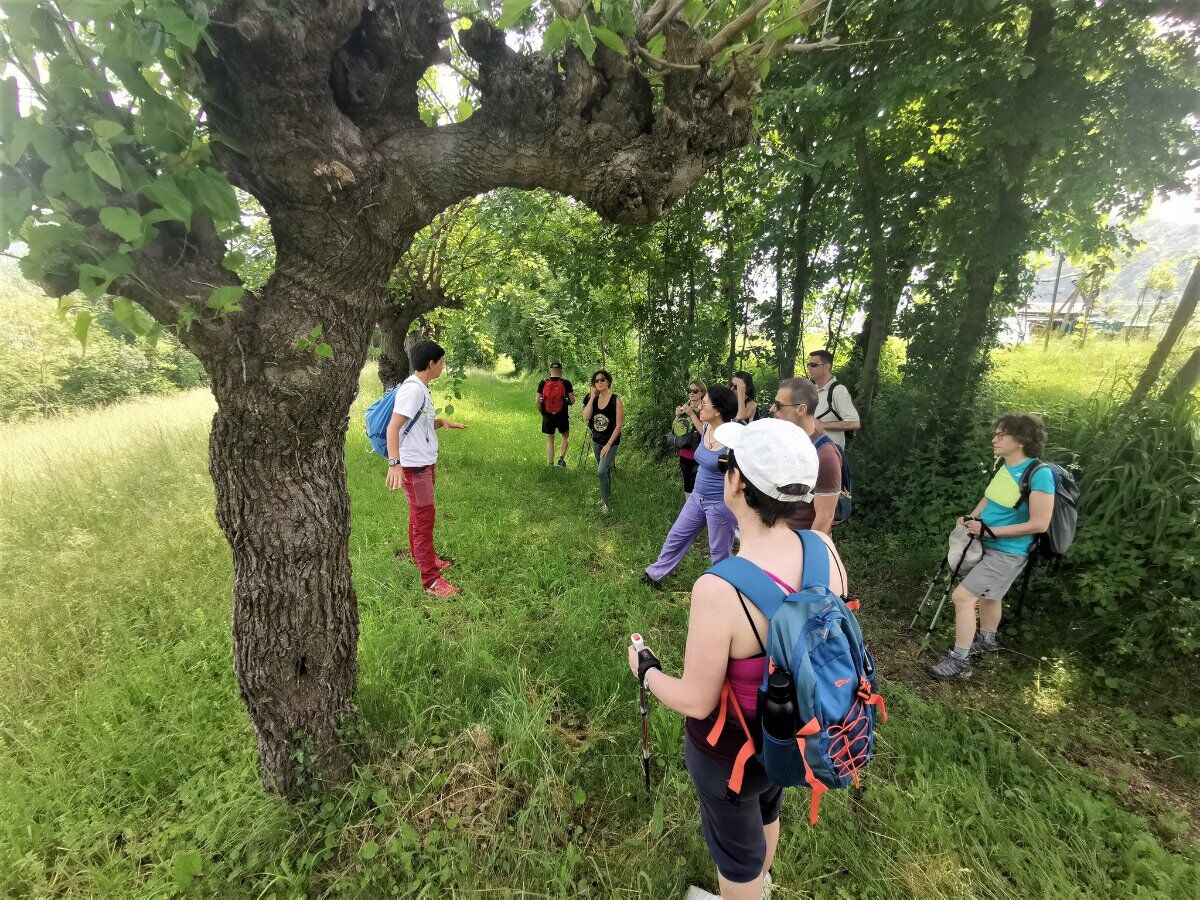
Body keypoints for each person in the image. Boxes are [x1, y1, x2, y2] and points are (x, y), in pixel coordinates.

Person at [625, 418, 840, 900]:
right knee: (767, 811)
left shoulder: (721, 587)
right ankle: (758, 887)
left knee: (736, 858)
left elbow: (697, 701)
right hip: (795, 734)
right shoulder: (824, 550)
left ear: (737, 483)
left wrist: (647, 670)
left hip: (732, 752)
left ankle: (744, 890)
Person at [929, 413, 1055, 682]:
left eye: (1001, 434)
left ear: (1020, 440)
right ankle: (987, 641)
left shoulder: (1039, 474)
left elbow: (1040, 524)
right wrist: (970, 520)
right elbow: (989, 500)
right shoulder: (1004, 467)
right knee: (990, 596)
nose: (994, 439)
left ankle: (960, 660)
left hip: (1010, 551)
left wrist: (990, 530)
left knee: (962, 598)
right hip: (988, 543)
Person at [384, 340, 467, 598]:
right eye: (442, 362)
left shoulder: (422, 388)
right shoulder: (414, 390)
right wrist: (394, 464)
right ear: (431, 364)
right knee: (424, 520)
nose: (443, 367)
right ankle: (431, 581)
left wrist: (443, 422)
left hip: (423, 463)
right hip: (414, 467)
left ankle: (423, 557)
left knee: (418, 517)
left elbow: (420, 424)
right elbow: (393, 428)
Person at [641, 386, 740, 589]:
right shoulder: (706, 427)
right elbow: (683, 426)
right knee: (677, 536)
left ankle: (724, 590)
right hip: (697, 498)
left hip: (720, 504)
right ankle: (654, 575)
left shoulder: (733, 439)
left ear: (718, 410)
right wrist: (684, 413)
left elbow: (742, 475)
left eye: (704, 403)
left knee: (719, 552)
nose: (699, 406)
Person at [771, 377, 842, 534]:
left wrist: (806, 553)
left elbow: (825, 517)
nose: (772, 409)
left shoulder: (825, 455)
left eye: (778, 405)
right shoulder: (784, 441)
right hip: (776, 539)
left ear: (801, 410)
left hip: (800, 545)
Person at [582, 369, 623, 514]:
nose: (599, 382)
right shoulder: (593, 399)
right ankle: (608, 496)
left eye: (602, 379)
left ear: (608, 381)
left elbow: (619, 425)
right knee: (606, 470)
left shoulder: (616, 399)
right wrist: (592, 397)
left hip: (611, 442)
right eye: (596, 380)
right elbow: (586, 417)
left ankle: (604, 503)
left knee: (601, 472)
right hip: (596, 440)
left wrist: (609, 445)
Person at [806, 350, 860, 448]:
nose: (809, 368)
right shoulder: (813, 389)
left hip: (831, 453)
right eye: (808, 364)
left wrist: (823, 425)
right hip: (813, 452)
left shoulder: (838, 390)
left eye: (813, 365)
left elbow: (855, 423)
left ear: (826, 367)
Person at [537, 362, 575, 467]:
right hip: (562, 415)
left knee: (550, 440)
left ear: (550, 370)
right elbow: (572, 401)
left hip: (547, 415)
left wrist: (543, 413)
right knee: (565, 436)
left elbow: (537, 402)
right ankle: (561, 460)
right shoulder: (566, 383)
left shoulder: (543, 382)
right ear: (561, 371)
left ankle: (550, 464)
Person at [675, 379, 706, 496]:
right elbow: (675, 430)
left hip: (698, 455)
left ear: (702, 393)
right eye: (690, 390)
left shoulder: (704, 409)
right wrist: (677, 416)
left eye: (695, 390)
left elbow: (704, 431)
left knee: (698, 487)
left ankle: (699, 511)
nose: (691, 393)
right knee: (687, 485)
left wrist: (692, 414)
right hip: (684, 452)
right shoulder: (686, 407)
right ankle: (689, 510)